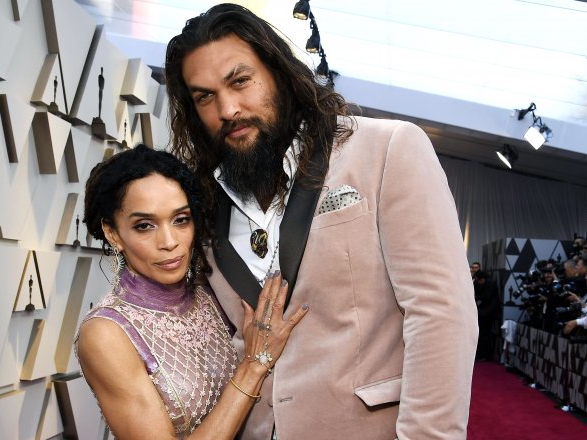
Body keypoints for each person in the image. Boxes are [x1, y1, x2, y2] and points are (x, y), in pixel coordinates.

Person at [164, 4, 478, 439]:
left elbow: (441, 312)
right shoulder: (204, 202)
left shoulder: (387, 149)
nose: (228, 108)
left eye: (240, 81)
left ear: (278, 71)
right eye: (204, 97)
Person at [74, 145, 308, 439]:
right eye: (145, 226)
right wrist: (252, 366)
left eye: (181, 219)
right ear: (113, 233)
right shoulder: (106, 334)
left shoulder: (211, 290)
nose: (170, 241)